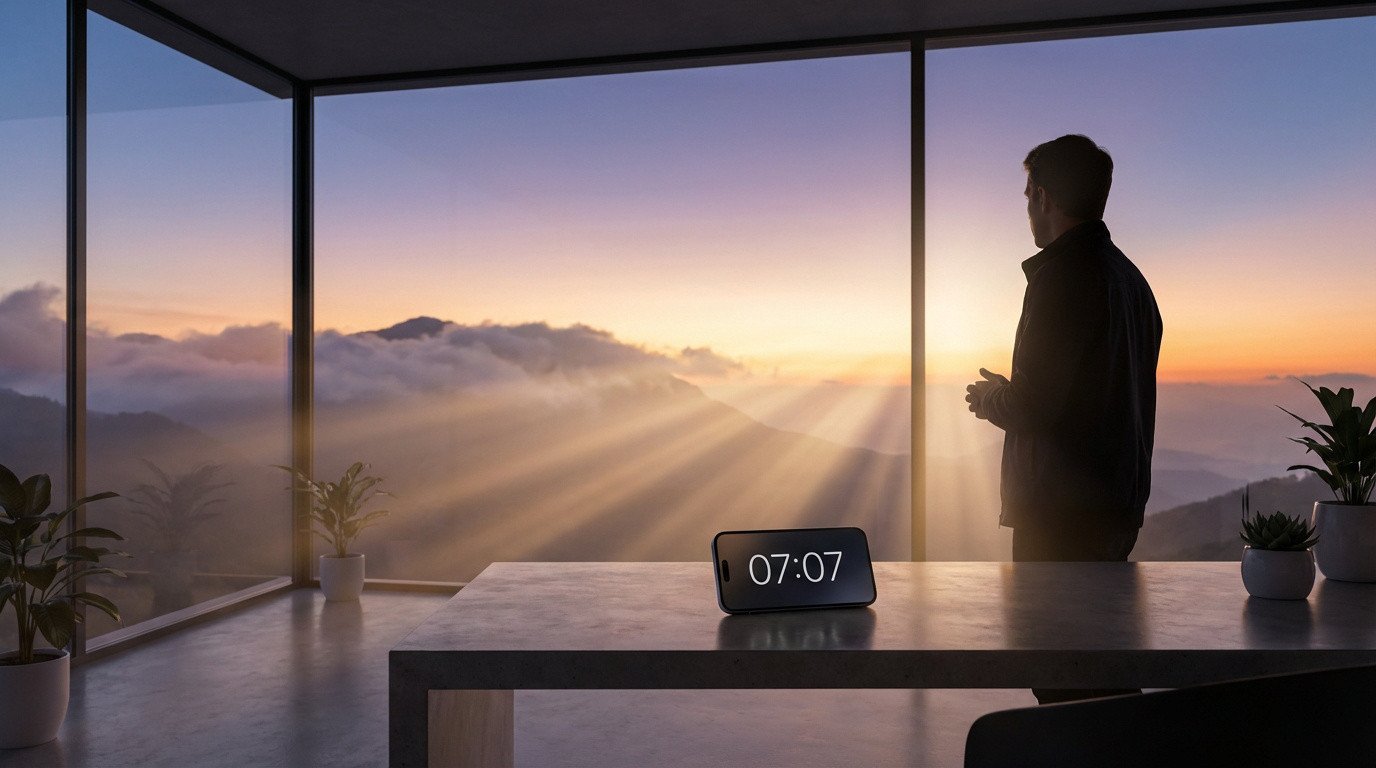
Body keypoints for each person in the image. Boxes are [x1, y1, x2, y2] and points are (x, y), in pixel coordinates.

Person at [965, 134, 1163, 704]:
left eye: (1028, 194)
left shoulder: (1060, 280)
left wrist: (991, 400)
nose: (1026, 207)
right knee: (1103, 674)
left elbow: (1036, 404)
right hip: (1115, 503)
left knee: (1062, 679)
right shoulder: (1132, 282)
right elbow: (1092, 392)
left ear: (1046, 198)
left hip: (1059, 513)